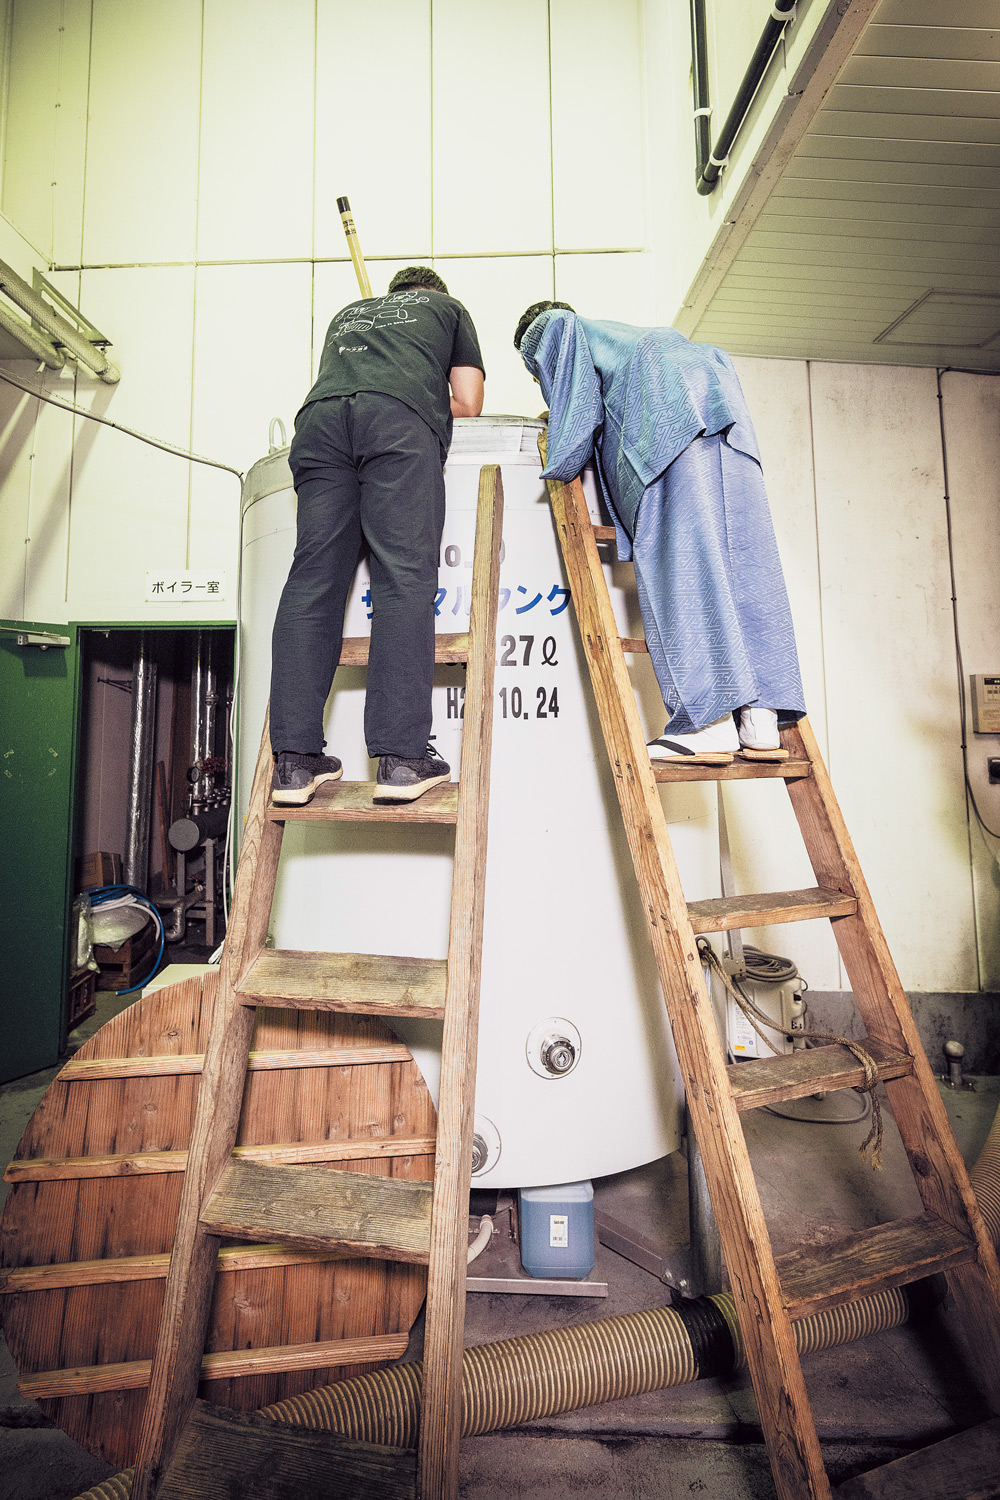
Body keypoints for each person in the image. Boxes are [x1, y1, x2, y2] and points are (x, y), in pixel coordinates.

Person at [513, 302, 804, 765]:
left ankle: (707, 725)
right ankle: (760, 722)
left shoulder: (556, 327)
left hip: (668, 428)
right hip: (728, 426)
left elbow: (574, 412)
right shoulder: (632, 338)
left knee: (682, 571)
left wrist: (559, 448)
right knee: (745, 568)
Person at [270, 267, 485, 805]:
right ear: (432, 294)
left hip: (318, 424)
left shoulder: (348, 315)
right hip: (395, 422)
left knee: (311, 584)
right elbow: (467, 402)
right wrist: (420, 389)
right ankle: (402, 759)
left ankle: (293, 763)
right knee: (403, 579)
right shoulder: (448, 309)